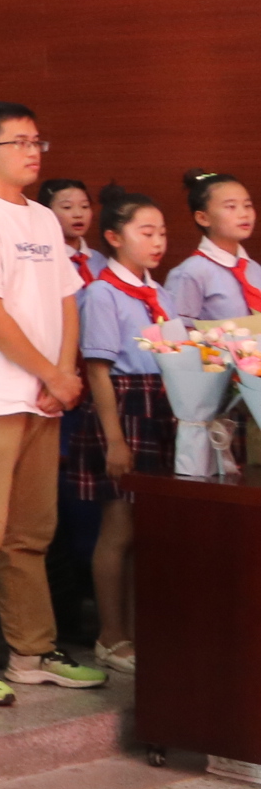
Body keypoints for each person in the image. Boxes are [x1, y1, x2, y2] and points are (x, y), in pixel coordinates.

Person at [0, 103, 104, 704]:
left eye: (38, 141)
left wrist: (63, 375)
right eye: (20, 142)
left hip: (42, 397)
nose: (33, 152)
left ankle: (32, 652)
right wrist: (50, 374)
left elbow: (65, 301)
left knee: (31, 533)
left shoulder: (41, 219)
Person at [68, 185, 170, 677]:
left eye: (162, 232)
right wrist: (115, 440)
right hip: (124, 409)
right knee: (119, 526)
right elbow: (98, 370)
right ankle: (110, 635)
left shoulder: (159, 293)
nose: (158, 241)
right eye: (146, 232)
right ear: (113, 236)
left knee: (146, 529)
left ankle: (136, 630)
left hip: (160, 406)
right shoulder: (102, 293)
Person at [161, 171, 259, 323]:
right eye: (231, 207)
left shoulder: (255, 269)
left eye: (247, 205)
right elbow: (177, 331)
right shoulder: (190, 273)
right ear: (203, 218)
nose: (244, 214)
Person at [42, 179, 102, 284]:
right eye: (67, 207)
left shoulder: (99, 260)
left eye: (85, 206)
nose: (78, 214)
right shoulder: (42, 260)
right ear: (46, 212)